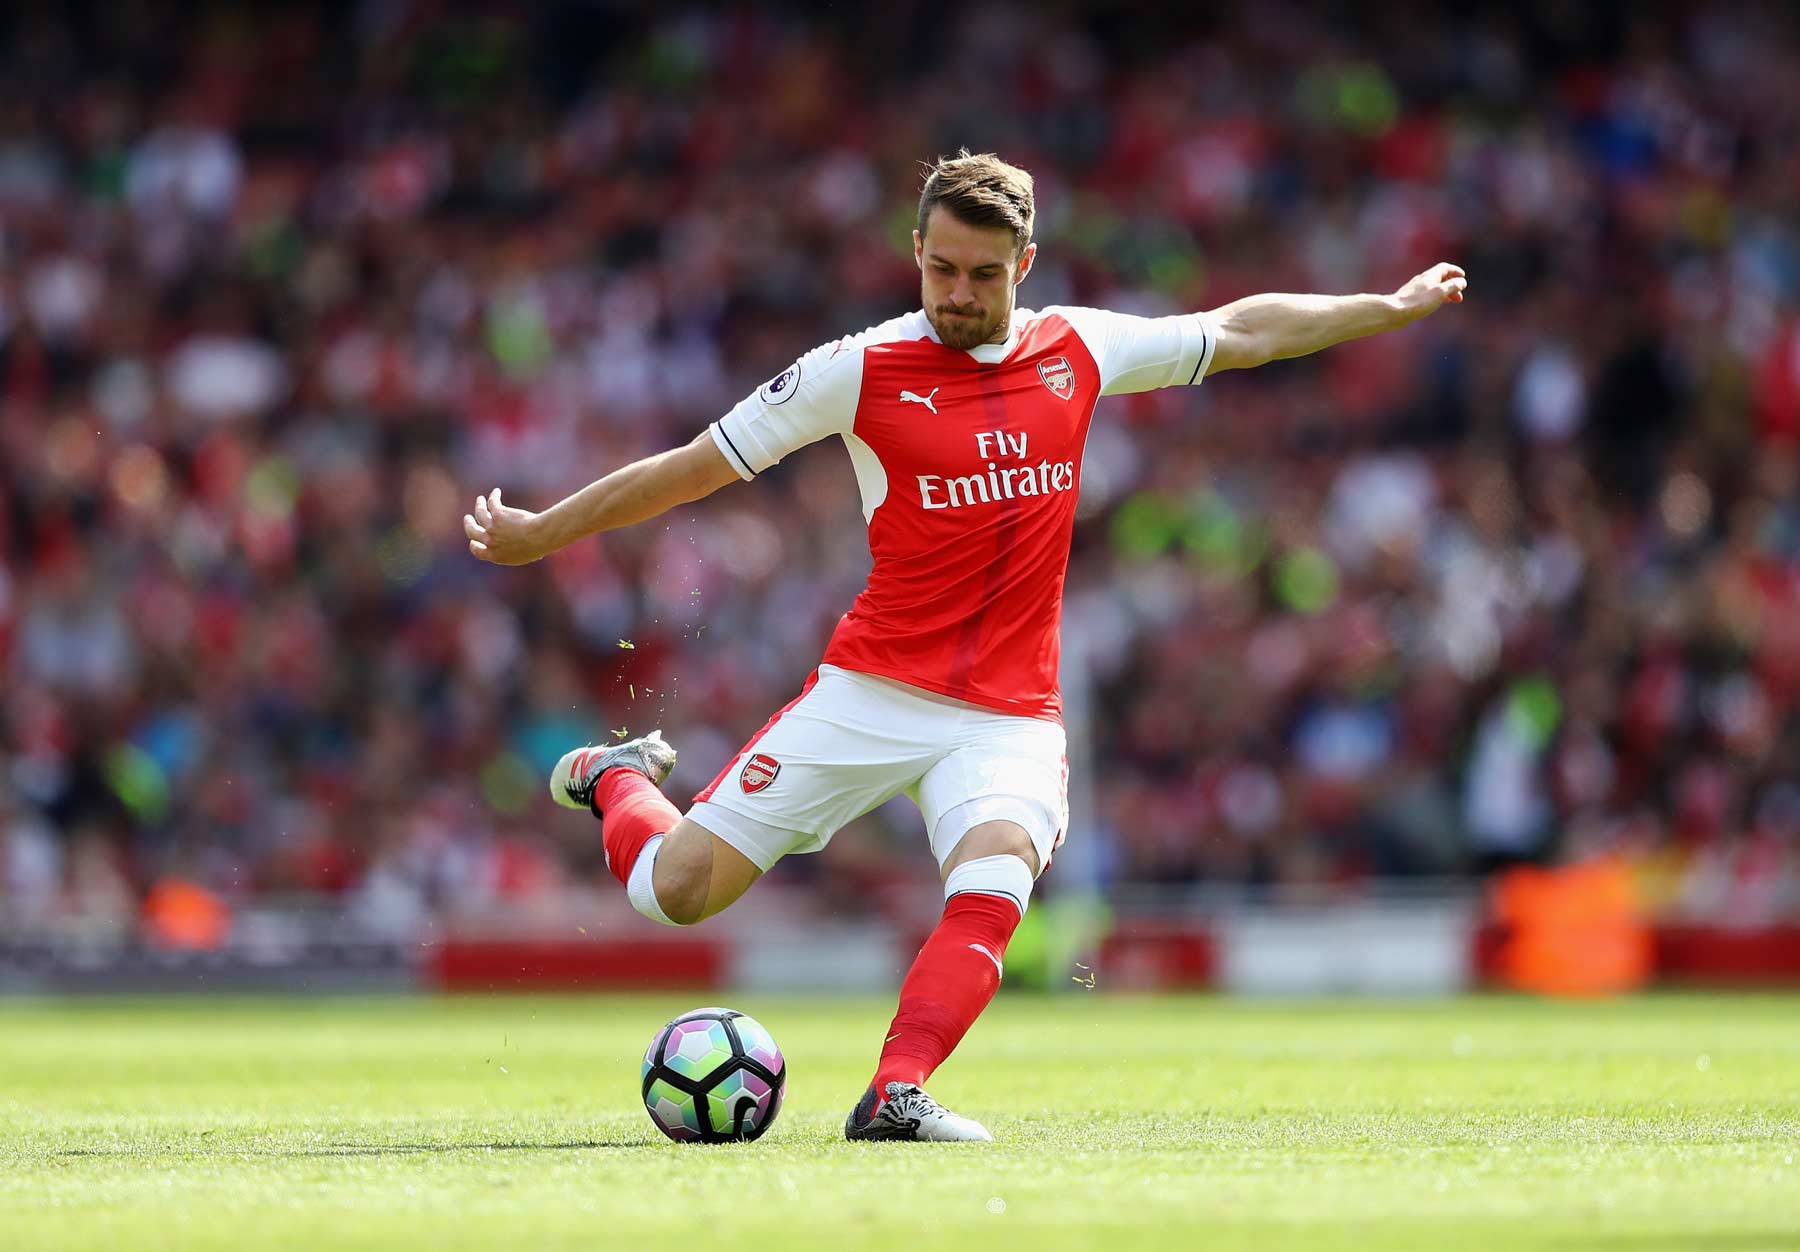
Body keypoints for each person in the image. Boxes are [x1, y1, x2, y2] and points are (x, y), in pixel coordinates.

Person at [463, 150, 1467, 1141]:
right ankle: (616, 775)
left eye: (983, 274)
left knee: (996, 879)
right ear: (916, 252)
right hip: (872, 688)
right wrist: (546, 529)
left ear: (1023, 265)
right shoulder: (856, 369)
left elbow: (1237, 329)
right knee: (674, 894)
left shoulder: (1078, 348)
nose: (958, 292)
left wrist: (1385, 306)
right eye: (941, 268)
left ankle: (895, 1091)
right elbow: (695, 468)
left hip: (1010, 713)